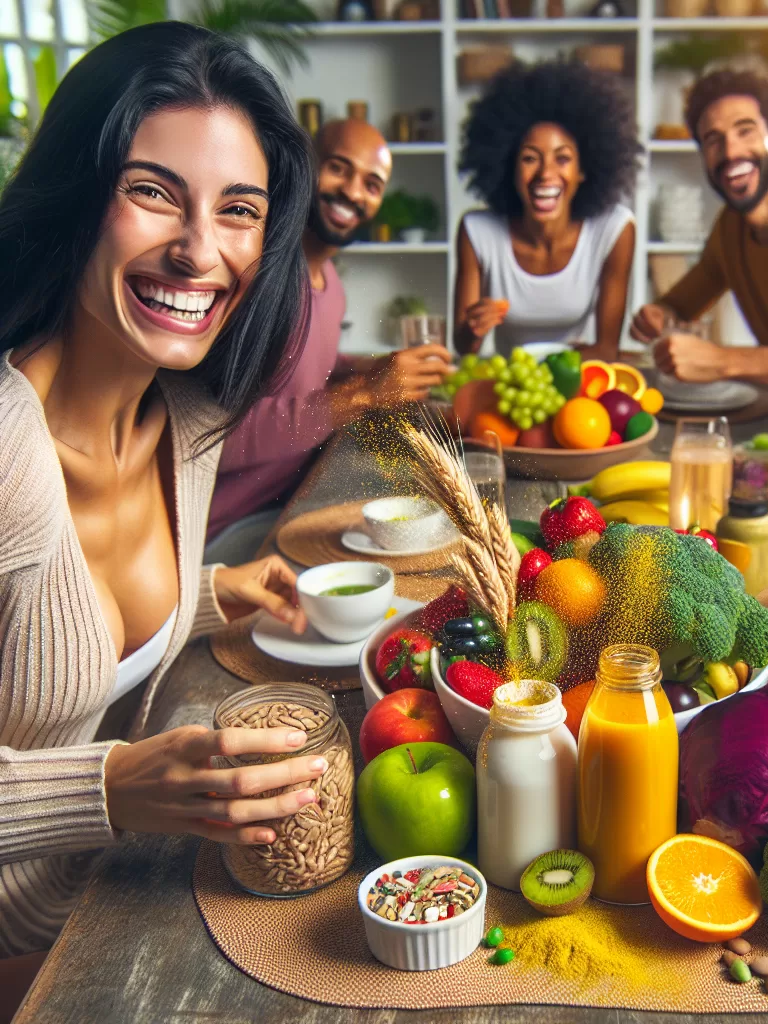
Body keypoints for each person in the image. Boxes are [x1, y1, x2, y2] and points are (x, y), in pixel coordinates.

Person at [0, 23, 332, 1006]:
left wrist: (205, 593)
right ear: (76, 191)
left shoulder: (184, 418)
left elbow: (60, 635)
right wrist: (110, 787)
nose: (198, 251)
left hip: (116, 896)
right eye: (151, 192)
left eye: (238, 210)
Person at [205, 118, 452, 562]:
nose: (355, 192)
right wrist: (365, 394)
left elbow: (302, 362)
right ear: (305, 166)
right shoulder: (258, 276)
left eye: (372, 184)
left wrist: (370, 367)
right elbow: (212, 439)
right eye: (339, 168)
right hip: (225, 533)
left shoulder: (329, 282)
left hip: (292, 502)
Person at [630, 67, 768, 408]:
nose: (731, 151)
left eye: (745, 131)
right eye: (713, 139)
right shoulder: (731, 228)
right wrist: (657, 315)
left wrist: (724, 362)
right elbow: (678, 306)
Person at [454, 60, 641, 361]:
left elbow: (607, 350)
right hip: (509, 385)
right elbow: (464, 347)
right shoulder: (478, 231)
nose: (545, 174)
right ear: (509, 168)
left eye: (562, 159)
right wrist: (474, 329)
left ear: (584, 170)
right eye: (530, 158)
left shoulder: (614, 229)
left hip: (574, 378)